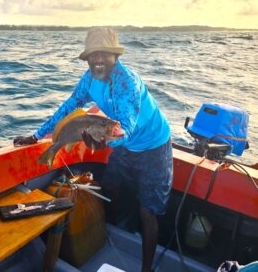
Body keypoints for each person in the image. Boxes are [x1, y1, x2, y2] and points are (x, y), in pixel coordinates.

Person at [14, 27, 173, 272]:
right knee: (110, 184)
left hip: (154, 147)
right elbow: (67, 109)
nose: (98, 59)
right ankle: (115, 229)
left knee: (148, 211)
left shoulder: (126, 82)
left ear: (115, 57)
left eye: (104, 54)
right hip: (125, 146)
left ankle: (146, 268)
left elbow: (126, 128)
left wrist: (102, 142)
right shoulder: (89, 80)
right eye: (92, 55)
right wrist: (36, 135)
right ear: (87, 58)